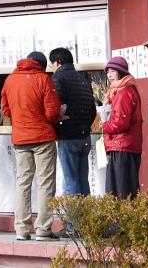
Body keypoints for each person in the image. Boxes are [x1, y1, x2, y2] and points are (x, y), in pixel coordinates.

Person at [0, 50, 61, 241]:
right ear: (42, 65)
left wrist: (21, 118)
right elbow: (52, 112)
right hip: (43, 137)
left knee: (23, 183)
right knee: (45, 184)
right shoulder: (44, 79)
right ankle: (43, 229)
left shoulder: (10, 80)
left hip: (20, 139)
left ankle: (21, 230)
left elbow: (5, 109)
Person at [49, 47, 96, 196]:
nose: (52, 68)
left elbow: (56, 107)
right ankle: (86, 219)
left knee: (71, 181)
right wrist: (84, 126)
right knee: (83, 180)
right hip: (85, 136)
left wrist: (57, 122)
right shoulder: (83, 78)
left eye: (52, 64)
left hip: (68, 136)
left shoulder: (58, 78)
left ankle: (72, 220)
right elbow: (92, 110)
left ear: (58, 62)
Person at [101, 55, 142, 199]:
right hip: (124, 145)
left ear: (121, 72)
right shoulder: (123, 90)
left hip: (122, 146)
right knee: (124, 188)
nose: (109, 75)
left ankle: (124, 222)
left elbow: (120, 122)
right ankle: (127, 221)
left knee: (121, 191)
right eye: (108, 72)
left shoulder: (124, 92)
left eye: (113, 71)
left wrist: (104, 126)